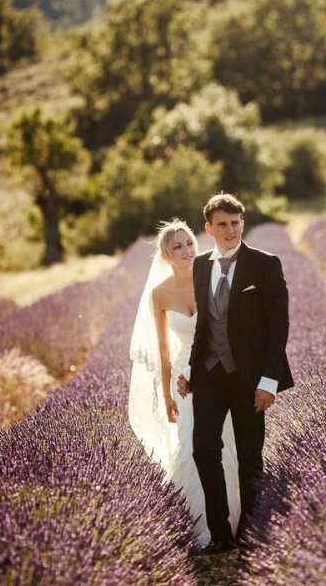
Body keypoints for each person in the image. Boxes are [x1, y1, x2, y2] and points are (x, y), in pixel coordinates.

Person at [178, 193, 293, 556]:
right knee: (203, 451)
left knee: (250, 457)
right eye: (223, 225)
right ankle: (220, 534)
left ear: (242, 224)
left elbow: (279, 327)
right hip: (209, 376)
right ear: (209, 228)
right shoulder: (200, 265)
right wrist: (189, 369)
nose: (230, 230)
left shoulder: (265, 264)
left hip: (250, 380)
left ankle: (249, 532)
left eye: (235, 223)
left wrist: (269, 381)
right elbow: (204, 327)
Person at [128, 219, 240, 547]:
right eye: (178, 246)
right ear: (166, 255)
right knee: (191, 444)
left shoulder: (212, 277)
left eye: (189, 243)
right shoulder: (159, 294)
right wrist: (165, 394)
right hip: (184, 382)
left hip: (219, 373)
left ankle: (231, 521)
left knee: (224, 444)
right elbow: (163, 350)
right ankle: (193, 521)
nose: (187, 250)